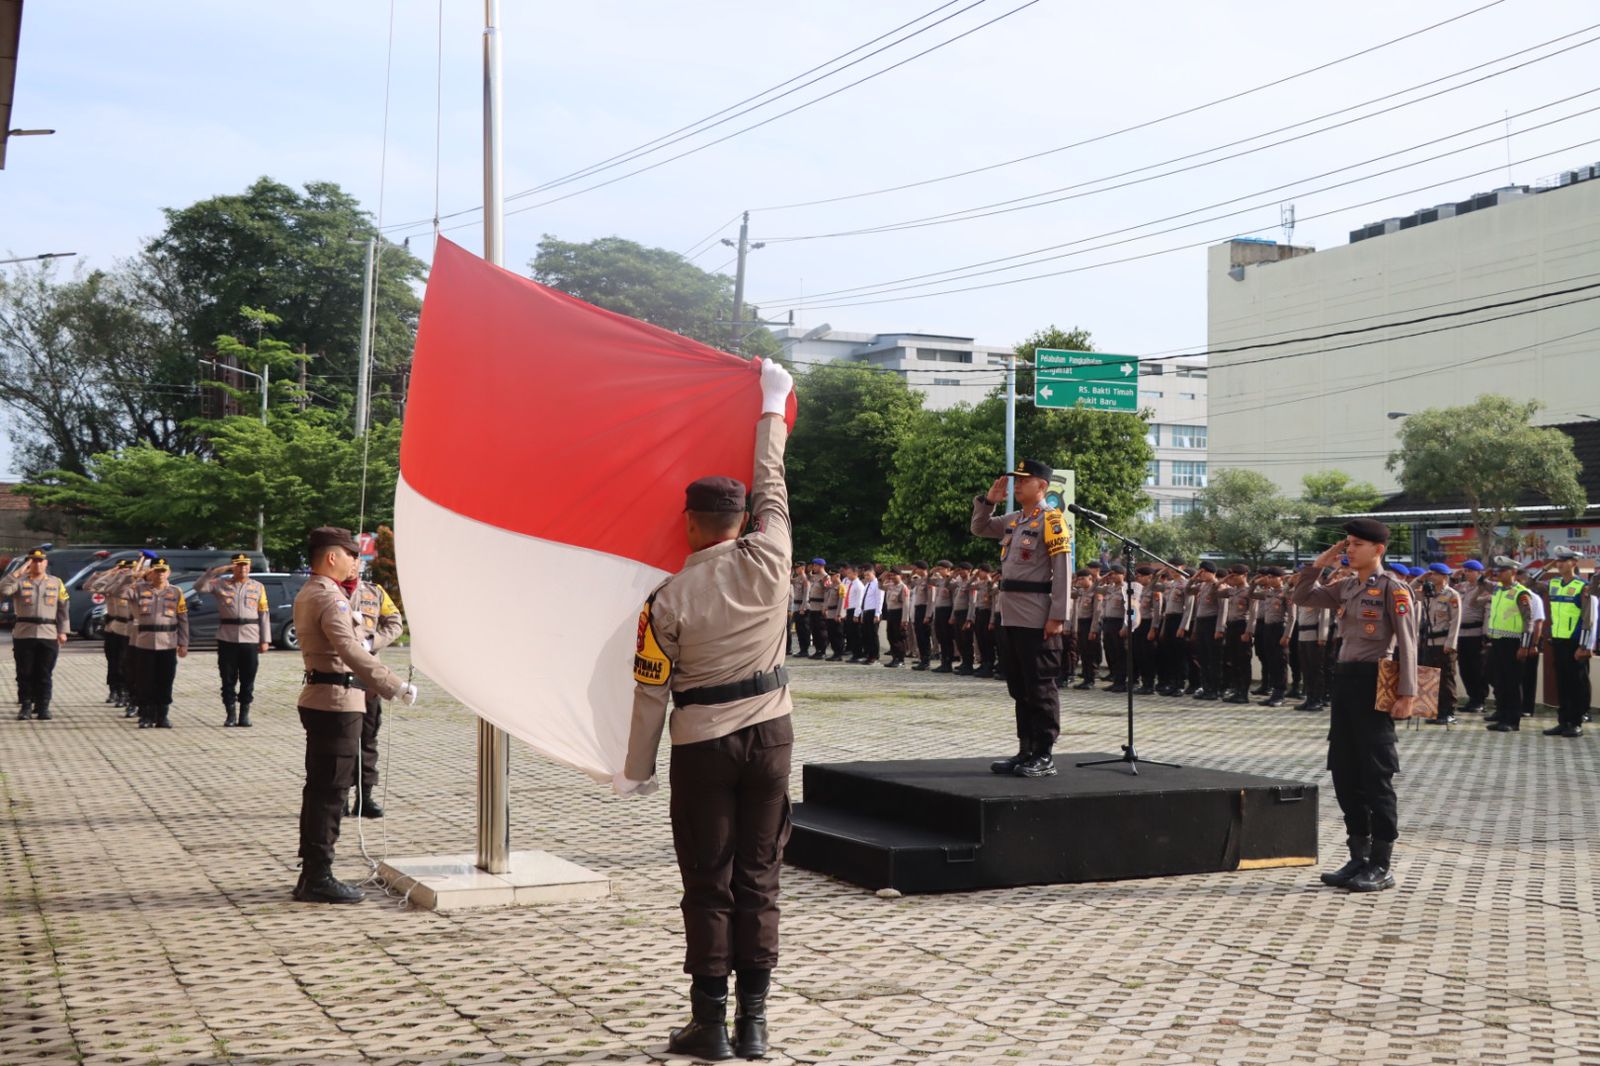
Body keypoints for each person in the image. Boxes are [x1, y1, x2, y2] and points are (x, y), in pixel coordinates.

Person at [619, 359, 794, 1061]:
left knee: (708, 881)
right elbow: (774, 479)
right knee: (760, 875)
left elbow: (649, 689)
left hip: (701, 746)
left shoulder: (666, 600)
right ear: (745, 520)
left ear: (689, 525)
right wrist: (771, 403)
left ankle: (709, 1025)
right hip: (771, 737)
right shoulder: (773, 555)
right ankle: (755, 1023)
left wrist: (636, 769)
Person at [292, 527, 418, 904]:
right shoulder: (330, 597)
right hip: (335, 701)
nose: (354, 563)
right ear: (332, 557)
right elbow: (349, 648)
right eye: (350, 556)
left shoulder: (314, 592)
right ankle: (317, 875)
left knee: (324, 789)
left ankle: (313, 872)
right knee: (330, 792)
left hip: (330, 698)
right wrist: (393, 684)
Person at [1289, 519, 1417, 893]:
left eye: (1357, 544)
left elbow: (1408, 643)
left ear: (1378, 550)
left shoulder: (1394, 589)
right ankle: (1357, 855)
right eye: (1347, 544)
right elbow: (1301, 598)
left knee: (1375, 773)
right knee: (1344, 769)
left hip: (1376, 681)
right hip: (1344, 680)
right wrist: (1322, 561)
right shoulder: (1345, 586)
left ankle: (1381, 864)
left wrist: (1407, 694)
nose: (1349, 549)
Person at [971, 459, 1072, 778]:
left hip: (1037, 615)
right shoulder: (1014, 520)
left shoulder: (1052, 520)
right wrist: (988, 501)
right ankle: (1025, 749)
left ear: (1042, 486)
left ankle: (1044, 753)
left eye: (1022, 480)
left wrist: (1058, 615)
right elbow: (980, 527)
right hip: (1011, 614)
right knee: (1019, 686)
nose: (1015, 486)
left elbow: (1062, 572)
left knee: (1041, 687)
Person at [350, 577, 406, 817]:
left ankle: (365, 797)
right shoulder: (329, 590)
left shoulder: (375, 591)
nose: (353, 563)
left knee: (368, 737)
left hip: (369, 672)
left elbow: (395, 623)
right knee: (340, 740)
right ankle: (338, 794)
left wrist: (372, 640)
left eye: (356, 558)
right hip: (336, 671)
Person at [196, 554, 271, 727]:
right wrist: (215, 572)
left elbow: (263, 614)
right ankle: (230, 714)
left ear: (249, 568)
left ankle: (244, 714)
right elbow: (199, 587)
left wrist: (265, 639)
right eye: (238, 566)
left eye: (245, 566)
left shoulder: (258, 587)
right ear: (232, 567)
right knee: (227, 678)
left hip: (250, 637)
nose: (242, 568)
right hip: (227, 637)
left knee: (248, 677)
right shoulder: (221, 584)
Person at [0, 549, 69, 721]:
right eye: (33, 561)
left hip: (48, 633)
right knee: (25, 672)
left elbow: (63, 609)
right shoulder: (20, 581)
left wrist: (63, 631)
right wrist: (19, 571)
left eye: (40, 561)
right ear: (29, 563)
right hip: (25, 633)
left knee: (44, 672)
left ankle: (43, 706)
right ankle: (25, 706)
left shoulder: (55, 582)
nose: (37, 564)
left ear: (45, 563)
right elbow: (4, 590)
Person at [127, 558, 188, 729]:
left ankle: (162, 715)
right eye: (157, 570)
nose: (160, 574)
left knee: (165, 680)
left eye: (163, 570)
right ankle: (146, 715)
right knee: (144, 680)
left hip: (168, 642)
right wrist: (136, 576)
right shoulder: (138, 589)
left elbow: (183, 619)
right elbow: (120, 592)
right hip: (145, 642)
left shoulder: (176, 592)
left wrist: (183, 643)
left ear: (168, 572)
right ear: (151, 573)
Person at [1485, 556, 1537, 732]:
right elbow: (1481, 583)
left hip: (1513, 642)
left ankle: (1512, 720)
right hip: (1498, 641)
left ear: (1513, 572)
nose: (1498, 574)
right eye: (1497, 570)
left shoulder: (1521, 593)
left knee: (1512, 682)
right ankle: (1502, 715)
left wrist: (1524, 646)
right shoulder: (1497, 589)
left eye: (1502, 570)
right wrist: (1484, 574)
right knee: (1500, 680)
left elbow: (1528, 621)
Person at [1542, 546, 1589, 738]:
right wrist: (1545, 568)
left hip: (1575, 641)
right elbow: (1528, 582)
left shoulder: (1582, 587)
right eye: (1557, 561)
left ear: (1574, 563)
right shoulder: (1554, 583)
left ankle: (1576, 722)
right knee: (1561, 683)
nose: (1559, 564)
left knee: (1576, 683)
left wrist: (1583, 646)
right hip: (1558, 640)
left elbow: (1588, 618)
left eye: (1563, 560)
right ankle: (1563, 721)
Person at [88, 559, 139, 709]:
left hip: (131, 628)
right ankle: (115, 690)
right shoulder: (115, 584)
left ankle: (126, 693)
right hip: (115, 627)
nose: (127, 572)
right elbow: (92, 586)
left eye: (130, 569)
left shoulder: (139, 586)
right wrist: (112, 573)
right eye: (124, 569)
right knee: (114, 662)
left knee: (127, 663)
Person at [1418, 563, 1462, 725]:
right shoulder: (1428, 593)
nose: (1432, 577)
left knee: (1446, 678)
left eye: (1435, 574)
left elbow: (1455, 621)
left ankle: (1449, 712)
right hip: (1429, 641)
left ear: (1444, 576)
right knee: (1431, 678)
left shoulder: (1452, 595)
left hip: (1444, 642)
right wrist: (1421, 579)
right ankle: (1435, 711)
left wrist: (1451, 643)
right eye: (1431, 574)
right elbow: (1408, 591)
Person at [1246, 568, 1289, 707]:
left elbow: (1292, 616)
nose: (1269, 579)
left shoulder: (1286, 593)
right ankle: (1274, 692)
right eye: (1268, 577)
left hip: (1279, 628)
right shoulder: (1268, 593)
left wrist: (1287, 635)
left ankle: (1280, 694)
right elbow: (1250, 594)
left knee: (1280, 661)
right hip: (1267, 628)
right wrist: (1254, 581)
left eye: (1273, 577)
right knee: (1270, 660)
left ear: (1281, 578)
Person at [1291, 567, 1332, 712]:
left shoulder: (1319, 590)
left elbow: (1324, 614)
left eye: (1302, 573)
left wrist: (1322, 636)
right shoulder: (1303, 590)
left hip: (1314, 635)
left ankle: (1317, 700)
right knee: (1306, 669)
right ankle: (1309, 698)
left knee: (1316, 669)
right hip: (1303, 634)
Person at [1180, 562, 1222, 699]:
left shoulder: (1218, 586)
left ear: (1212, 572)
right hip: (1201, 623)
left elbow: (1222, 610)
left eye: (1204, 572)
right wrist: (1194, 578)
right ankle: (1206, 687)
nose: (1201, 574)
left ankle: (1214, 689)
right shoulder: (1202, 586)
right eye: (1200, 572)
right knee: (1203, 658)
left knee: (1213, 659)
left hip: (1212, 623)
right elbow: (1187, 590)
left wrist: (1219, 628)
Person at [1454, 560, 1491, 714]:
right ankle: (1472, 698)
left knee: (1477, 669)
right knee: (1464, 669)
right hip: (1461, 634)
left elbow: (1488, 612)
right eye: (1466, 570)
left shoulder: (1486, 587)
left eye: (1470, 571)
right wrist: (1453, 578)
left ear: (1479, 572)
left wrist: (1486, 635)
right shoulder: (1461, 587)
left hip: (1475, 634)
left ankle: (1480, 700)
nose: (1467, 573)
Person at [1097, 564, 1133, 693]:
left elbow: (1131, 610)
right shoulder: (1109, 589)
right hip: (1108, 623)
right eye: (1111, 574)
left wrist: (1126, 626)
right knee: (1110, 653)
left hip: (1119, 624)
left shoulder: (1127, 589)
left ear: (1123, 574)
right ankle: (1115, 680)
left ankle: (1121, 682)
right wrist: (1103, 578)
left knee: (1120, 654)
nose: (1112, 576)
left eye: (1115, 573)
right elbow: (1093, 589)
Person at [969, 563, 996, 679]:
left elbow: (992, 598)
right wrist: (974, 576)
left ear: (987, 572)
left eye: (981, 571)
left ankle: (989, 665)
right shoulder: (980, 583)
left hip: (987, 613)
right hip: (979, 612)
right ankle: (984, 663)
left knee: (987, 640)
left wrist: (991, 579)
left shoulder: (991, 584)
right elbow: (968, 586)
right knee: (980, 639)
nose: (979, 573)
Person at [881, 568, 910, 668]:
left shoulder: (903, 587)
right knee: (891, 636)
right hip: (890, 613)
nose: (892, 577)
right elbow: (880, 586)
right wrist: (883, 576)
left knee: (898, 637)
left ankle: (900, 659)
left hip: (899, 613)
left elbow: (906, 605)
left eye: (895, 575)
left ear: (900, 576)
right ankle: (894, 657)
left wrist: (904, 620)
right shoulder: (890, 585)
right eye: (891, 575)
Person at [932, 560, 957, 673]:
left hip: (947, 611)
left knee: (947, 638)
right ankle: (943, 662)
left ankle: (948, 663)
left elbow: (954, 600)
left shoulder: (953, 582)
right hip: (939, 610)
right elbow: (927, 581)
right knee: (940, 637)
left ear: (948, 570)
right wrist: (931, 572)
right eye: (939, 568)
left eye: (942, 568)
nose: (940, 570)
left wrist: (952, 616)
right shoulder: (939, 581)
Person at [910, 561, 934, 670]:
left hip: (925, 610)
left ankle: (926, 661)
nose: (915, 571)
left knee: (924, 636)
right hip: (918, 609)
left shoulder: (929, 581)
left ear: (922, 569)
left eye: (916, 569)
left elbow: (931, 600)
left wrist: (928, 615)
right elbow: (909, 583)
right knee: (919, 636)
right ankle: (922, 659)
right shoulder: (919, 580)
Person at [858, 563, 882, 666]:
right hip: (866, 612)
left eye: (868, 575)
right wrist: (862, 614)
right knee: (866, 635)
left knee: (873, 635)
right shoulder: (867, 585)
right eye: (865, 575)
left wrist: (877, 614)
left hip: (873, 612)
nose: (866, 577)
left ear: (873, 573)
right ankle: (868, 654)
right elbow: (864, 601)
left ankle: (874, 656)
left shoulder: (878, 584)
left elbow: (879, 600)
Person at [805, 560, 828, 659]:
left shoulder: (826, 577)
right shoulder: (815, 576)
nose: (813, 567)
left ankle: (822, 651)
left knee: (821, 630)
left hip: (820, 606)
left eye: (815, 565)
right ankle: (817, 649)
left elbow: (827, 593)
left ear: (821, 566)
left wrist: (825, 606)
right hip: (813, 607)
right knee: (814, 630)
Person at [822, 567, 845, 661]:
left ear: (838, 575)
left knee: (838, 634)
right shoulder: (831, 586)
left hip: (836, 612)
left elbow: (841, 601)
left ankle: (839, 654)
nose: (830, 577)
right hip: (830, 613)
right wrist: (825, 608)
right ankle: (835, 652)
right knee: (831, 634)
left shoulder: (841, 586)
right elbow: (827, 599)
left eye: (832, 575)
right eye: (830, 575)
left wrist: (839, 614)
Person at [790, 564, 809, 658]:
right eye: (795, 568)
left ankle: (805, 650)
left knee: (803, 629)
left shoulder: (805, 579)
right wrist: (791, 571)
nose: (796, 570)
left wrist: (803, 607)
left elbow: (806, 594)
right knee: (798, 629)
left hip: (802, 607)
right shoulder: (797, 578)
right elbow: (788, 580)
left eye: (798, 568)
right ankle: (802, 649)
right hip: (796, 606)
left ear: (803, 568)